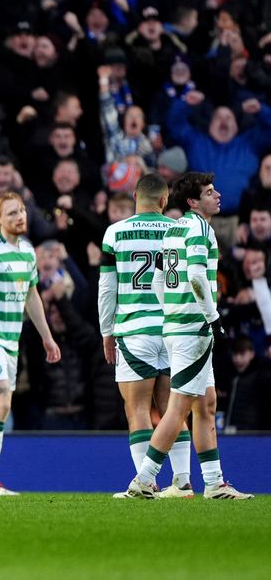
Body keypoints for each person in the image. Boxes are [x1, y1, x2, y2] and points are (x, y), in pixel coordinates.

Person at [123, 172, 253, 499]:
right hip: (194, 329)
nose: (218, 195)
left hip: (178, 326)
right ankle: (143, 479)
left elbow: (156, 282)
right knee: (179, 406)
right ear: (194, 202)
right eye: (210, 192)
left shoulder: (175, 229)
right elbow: (196, 276)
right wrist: (212, 318)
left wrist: (172, 310)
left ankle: (213, 483)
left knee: (206, 403)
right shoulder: (199, 229)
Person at [97, 173, 193, 498]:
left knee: (137, 409)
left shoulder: (115, 233)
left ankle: (146, 483)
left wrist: (106, 331)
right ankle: (182, 481)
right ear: (165, 201)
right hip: (172, 329)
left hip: (134, 331)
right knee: (172, 407)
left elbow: (107, 288)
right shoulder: (179, 231)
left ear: (135, 196)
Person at [0, 192, 61, 495]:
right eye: (12, 213)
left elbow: (32, 296)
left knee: (1, 410)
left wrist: (47, 337)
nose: (20, 217)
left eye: (21, 211)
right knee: (1, 401)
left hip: (10, 341)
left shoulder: (28, 252)